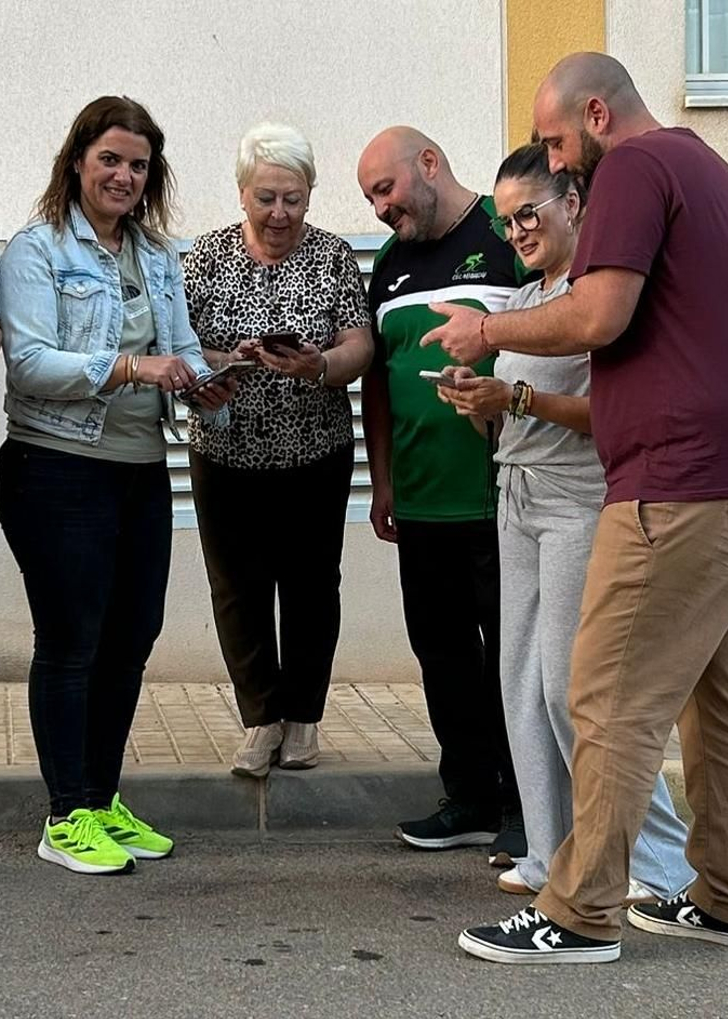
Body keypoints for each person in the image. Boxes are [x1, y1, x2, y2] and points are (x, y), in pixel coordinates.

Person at [439, 54, 728, 965]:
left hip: (682, 481)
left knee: (600, 692)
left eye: (560, 143)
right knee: (719, 698)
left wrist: (487, 331)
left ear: (598, 114)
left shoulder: (637, 169)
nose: (559, 165)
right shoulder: (714, 172)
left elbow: (599, 312)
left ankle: (578, 911)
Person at [434, 144, 696, 905]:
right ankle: (552, 852)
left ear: (574, 204)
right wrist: (475, 392)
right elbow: (515, 396)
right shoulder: (524, 301)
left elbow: (609, 415)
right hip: (516, 495)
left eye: (530, 214)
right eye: (505, 218)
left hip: (579, 499)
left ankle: (659, 863)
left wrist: (512, 402)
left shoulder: (597, 297)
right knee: (520, 681)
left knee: (574, 688)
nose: (516, 230)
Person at [0, 95, 234, 876]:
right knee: (72, 644)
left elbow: (183, 349)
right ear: (77, 163)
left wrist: (208, 385)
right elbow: (28, 363)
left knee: (130, 641)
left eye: (138, 165)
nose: (125, 176)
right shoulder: (36, 252)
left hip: (139, 473)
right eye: (111, 160)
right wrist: (132, 367)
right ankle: (64, 814)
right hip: (56, 469)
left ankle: (100, 797)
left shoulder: (158, 255)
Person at [356, 126, 528, 865]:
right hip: (421, 505)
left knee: (514, 660)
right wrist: (384, 480)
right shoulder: (390, 265)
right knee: (442, 655)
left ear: (429, 164)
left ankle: (529, 806)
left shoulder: (507, 231)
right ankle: (470, 798)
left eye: (385, 189)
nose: (379, 209)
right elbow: (381, 384)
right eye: (369, 198)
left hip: (501, 498)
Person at [183, 123, 374, 778]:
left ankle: (303, 719)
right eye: (267, 197)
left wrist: (318, 364)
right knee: (236, 588)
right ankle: (261, 720)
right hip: (225, 449)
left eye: (293, 198)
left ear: (309, 195)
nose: (280, 213)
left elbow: (360, 345)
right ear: (243, 193)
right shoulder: (206, 257)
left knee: (312, 586)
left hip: (314, 452)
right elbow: (175, 345)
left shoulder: (333, 257)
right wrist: (221, 360)